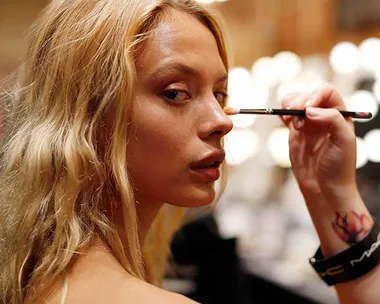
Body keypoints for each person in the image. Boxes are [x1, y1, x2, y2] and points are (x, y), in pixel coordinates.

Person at [0, 0, 378, 303]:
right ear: (88, 114)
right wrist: (339, 202)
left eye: (220, 94)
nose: (223, 121)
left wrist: (330, 193)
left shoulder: (35, 276)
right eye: (176, 92)